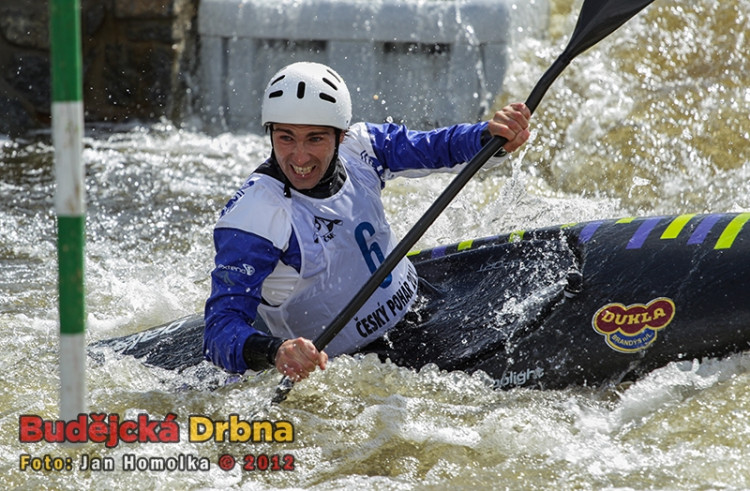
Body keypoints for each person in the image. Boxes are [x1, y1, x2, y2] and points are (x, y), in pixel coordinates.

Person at [204, 61, 531, 382]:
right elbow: (220, 331)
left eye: (315, 139)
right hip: (362, 366)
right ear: (271, 132)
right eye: (286, 138)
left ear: (341, 136)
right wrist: (276, 351)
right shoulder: (254, 217)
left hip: (426, 304)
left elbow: (435, 147)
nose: (300, 157)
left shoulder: (362, 148)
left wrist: (489, 135)